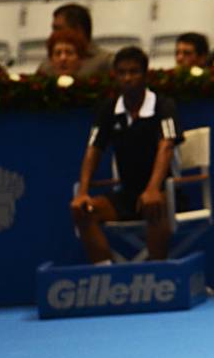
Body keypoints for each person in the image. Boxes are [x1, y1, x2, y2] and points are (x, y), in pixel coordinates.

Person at [70, 46, 184, 265]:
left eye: (134, 72)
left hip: (163, 193)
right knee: (84, 211)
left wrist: (152, 189)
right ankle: (107, 277)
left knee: (156, 204)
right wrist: (82, 192)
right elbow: (94, 149)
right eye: (122, 73)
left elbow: (166, 146)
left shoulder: (163, 106)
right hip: (126, 195)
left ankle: (156, 276)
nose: (127, 78)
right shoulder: (108, 110)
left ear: (145, 75)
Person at [37, 4, 113, 80]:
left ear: (78, 30)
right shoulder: (46, 66)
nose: (53, 34)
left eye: (58, 29)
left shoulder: (106, 61)